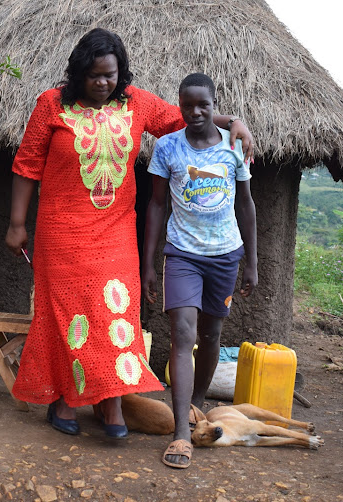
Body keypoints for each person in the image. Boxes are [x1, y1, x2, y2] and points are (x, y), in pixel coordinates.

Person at [5, 28, 255, 439]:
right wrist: (17, 224)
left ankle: (113, 403)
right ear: (78, 73)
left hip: (116, 228)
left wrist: (235, 122)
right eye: (94, 76)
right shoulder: (51, 105)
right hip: (61, 229)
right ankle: (68, 398)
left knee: (115, 311)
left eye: (110, 75)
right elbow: (27, 164)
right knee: (69, 313)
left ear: (120, 74)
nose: (103, 83)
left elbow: (185, 118)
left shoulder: (135, 102)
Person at [142, 73, 258, 468]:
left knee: (210, 336)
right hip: (182, 255)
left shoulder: (232, 147)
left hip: (226, 256)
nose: (195, 112)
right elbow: (156, 205)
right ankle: (179, 435)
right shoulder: (166, 147)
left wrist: (252, 263)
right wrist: (150, 263)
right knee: (182, 334)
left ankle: (196, 405)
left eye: (202, 105)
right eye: (187, 105)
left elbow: (246, 205)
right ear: (179, 104)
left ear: (214, 104)